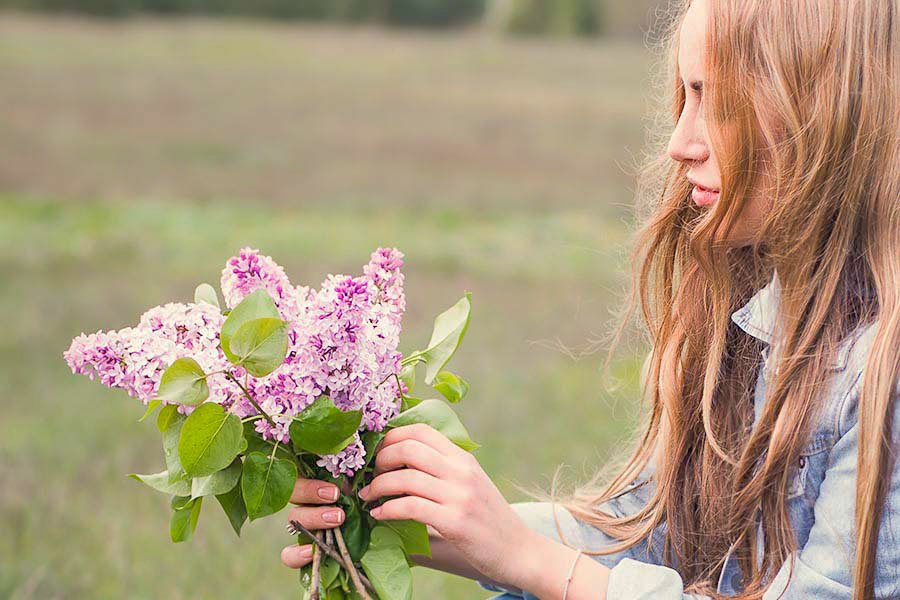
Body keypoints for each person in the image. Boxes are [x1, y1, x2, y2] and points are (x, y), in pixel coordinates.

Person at [279, 0, 900, 597]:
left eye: (715, 101)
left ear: (823, 111)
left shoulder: (883, 372)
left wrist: (527, 559)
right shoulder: (754, 317)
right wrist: (408, 518)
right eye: (684, 98)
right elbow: (648, 538)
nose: (681, 143)